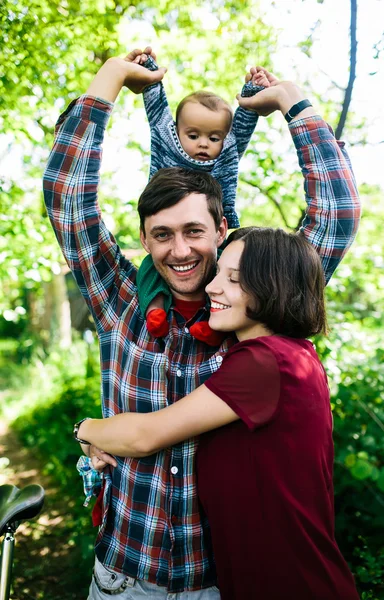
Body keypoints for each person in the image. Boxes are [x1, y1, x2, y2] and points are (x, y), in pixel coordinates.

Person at [43, 46, 360, 599]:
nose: (180, 249)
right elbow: (68, 198)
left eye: (194, 231)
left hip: (221, 583)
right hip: (124, 577)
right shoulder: (120, 300)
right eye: (161, 235)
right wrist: (114, 76)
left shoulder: (258, 307)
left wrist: (289, 100)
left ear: (220, 230)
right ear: (143, 240)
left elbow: (336, 214)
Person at [77, 225, 360, 600]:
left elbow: (144, 436)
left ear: (273, 287)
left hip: (293, 584)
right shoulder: (288, 354)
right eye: (218, 273)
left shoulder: (265, 363)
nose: (211, 287)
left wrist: (85, 429)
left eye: (234, 279)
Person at [134, 51, 265, 343]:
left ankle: (210, 323)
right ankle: (155, 309)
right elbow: (156, 111)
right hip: (160, 204)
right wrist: (149, 73)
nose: (204, 144)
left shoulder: (227, 153)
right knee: (149, 267)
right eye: (193, 136)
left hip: (217, 236)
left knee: (223, 273)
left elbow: (242, 127)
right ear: (178, 131)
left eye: (214, 137)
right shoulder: (166, 142)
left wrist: (252, 92)